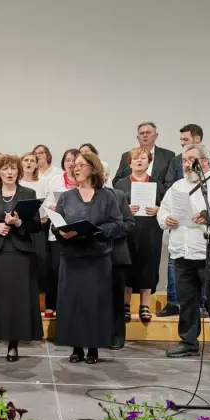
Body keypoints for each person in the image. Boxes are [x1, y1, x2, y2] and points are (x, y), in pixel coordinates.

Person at [158, 145, 210, 360]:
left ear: (205, 161)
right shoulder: (177, 186)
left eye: (191, 160)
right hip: (182, 252)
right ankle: (188, 342)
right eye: (184, 161)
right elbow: (163, 210)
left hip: (209, 253)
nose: (186, 165)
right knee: (187, 301)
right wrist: (166, 219)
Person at [52, 152, 123, 364]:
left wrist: (96, 230)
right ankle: (76, 347)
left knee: (95, 303)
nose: (76, 168)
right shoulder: (66, 197)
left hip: (97, 258)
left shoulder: (107, 196)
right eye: (74, 165)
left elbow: (118, 224)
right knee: (73, 303)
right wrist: (61, 232)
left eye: (81, 165)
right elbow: (56, 224)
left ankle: (93, 348)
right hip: (72, 257)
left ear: (93, 167)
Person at [0, 154, 43, 362]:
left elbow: (36, 226)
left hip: (20, 253)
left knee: (16, 300)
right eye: (5, 169)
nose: (9, 172)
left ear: (18, 171)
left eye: (13, 168)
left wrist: (18, 224)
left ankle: (13, 344)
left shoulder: (28, 193)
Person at [114, 147, 165, 323]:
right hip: (128, 231)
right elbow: (112, 209)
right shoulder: (121, 184)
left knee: (148, 266)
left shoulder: (157, 184)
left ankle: (145, 305)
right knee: (128, 266)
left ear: (149, 161)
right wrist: (125, 209)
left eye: (143, 158)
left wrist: (158, 209)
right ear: (129, 163)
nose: (139, 161)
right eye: (135, 158)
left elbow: (167, 207)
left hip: (150, 231)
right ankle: (125, 304)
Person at [102, 162, 135, 350]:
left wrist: (105, 232)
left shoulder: (118, 195)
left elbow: (129, 224)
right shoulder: (81, 196)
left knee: (116, 298)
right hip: (91, 255)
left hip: (115, 254)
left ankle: (117, 335)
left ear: (106, 176)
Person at [42, 149, 79, 314]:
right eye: (67, 160)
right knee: (56, 269)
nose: (71, 163)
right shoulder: (56, 180)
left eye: (74, 160)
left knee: (74, 270)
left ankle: (70, 305)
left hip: (78, 232)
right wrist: (55, 206)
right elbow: (47, 202)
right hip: (57, 230)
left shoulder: (84, 181)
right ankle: (51, 305)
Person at [20, 152, 50, 295]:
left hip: (40, 226)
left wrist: (47, 215)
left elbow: (48, 203)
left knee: (41, 258)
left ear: (36, 165)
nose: (29, 163)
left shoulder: (43, 182)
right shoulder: (18, 183)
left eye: (32, 161)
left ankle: (40, 293)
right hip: (22, 227)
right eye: (26, 160)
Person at [112, 121, 175, 187]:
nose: (145, 135)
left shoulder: (168, 156)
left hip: (159, 193)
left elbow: (170, 182)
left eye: (148, 132)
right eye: (142, 133)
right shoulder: (127, 155)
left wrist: (159, 191)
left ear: (156, 136)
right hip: (130, 193)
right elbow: (116, 181)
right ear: (138, 138)